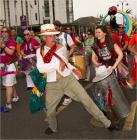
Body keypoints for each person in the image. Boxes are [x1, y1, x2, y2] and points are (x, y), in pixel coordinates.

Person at [36, 24, 121, 135]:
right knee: (50, 111)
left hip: (68, 79)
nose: (53, 38)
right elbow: (41, 68)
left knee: (87, 101)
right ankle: (52, 127)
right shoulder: (40, 51)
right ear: (44, 38)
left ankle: (108, 124)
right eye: (50, 36)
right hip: (52, 85)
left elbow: (65, 61)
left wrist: (73, 69)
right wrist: (58, 64)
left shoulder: (61, 47)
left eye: (54, 35)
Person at [91, 25, 130, 129]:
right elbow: (93, 58)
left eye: (99, 32)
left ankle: (118, 114)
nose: (97, 34)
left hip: (109, 70)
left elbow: (120, 54)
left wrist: (113, 66)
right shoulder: (95, 44)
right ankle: (108, 114)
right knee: (102, 94)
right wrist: (96, 63)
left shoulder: (111, 43)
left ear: (104, 33)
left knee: (113, 93)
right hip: (99, 72)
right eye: (96, 32)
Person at [53, 20, 76, 105]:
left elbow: (73, 46)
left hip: (64, 61)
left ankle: (67, 97)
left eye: (56, 28)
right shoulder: (52, 37)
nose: (55, 30)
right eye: (53, 28)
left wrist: (68, 55)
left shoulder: (66, 36)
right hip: (55, 61)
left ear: (60, 27)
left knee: (64, 79)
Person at [0, 27, 19, 110]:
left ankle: (8, 103)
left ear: (8, 33)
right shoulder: (1, 41)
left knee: (8, 84)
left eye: (5, 31)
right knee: (9, 83)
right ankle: (15, 96)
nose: (3, 33)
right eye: (2, 31)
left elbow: (11, 52)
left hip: (10, 65)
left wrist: (3, 46)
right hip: (3, 66)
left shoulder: (11, 41)